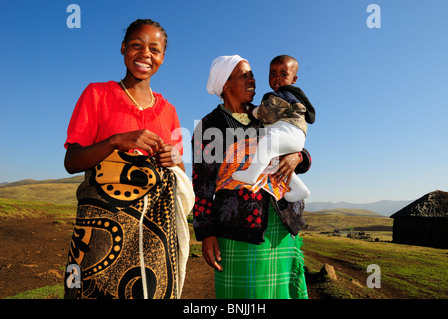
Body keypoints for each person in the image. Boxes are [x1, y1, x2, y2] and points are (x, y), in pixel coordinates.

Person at [63, 19, 193, 299]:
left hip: (153, 241)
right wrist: (115, 141)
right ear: (123, 48)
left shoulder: (169, 111)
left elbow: (179, 178)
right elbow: (72, 161)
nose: (145, 54)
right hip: (100, 233)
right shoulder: (97, 94)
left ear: (162, 58)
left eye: (154, 49)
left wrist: (174, 158)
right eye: (137, 45)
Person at [192, 55, 311, 299]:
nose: (253, 79)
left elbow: (294, 136)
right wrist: (206, 232)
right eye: (244, 75)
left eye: (252, 74)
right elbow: (203, 184)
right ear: (226, 85)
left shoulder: (266, 114)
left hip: (281, 223)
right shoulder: (210, 126)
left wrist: (299, 157)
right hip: (238, 227)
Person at [232, 55, 316, 202]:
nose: (277, 78)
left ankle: (251, 175)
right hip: (291, 135)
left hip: (287, 131)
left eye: (283, 75)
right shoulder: (289, 95)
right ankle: (300, 189)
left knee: (267, 144)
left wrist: (251, 112)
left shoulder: (283, 95)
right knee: (274, 162)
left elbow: (266, 114)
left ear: (294, 79)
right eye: (272, 74)